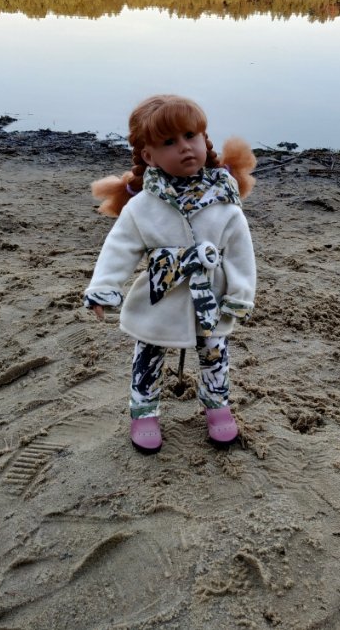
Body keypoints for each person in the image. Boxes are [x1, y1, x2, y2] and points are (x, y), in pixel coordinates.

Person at [83, 94, 256, 454]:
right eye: (168, 142)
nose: (185, 147)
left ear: (204, 138)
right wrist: (104, 287)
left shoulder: (225, 202)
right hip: (159, 296)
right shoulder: (142, 207)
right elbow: (120, 248)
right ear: (149, 156)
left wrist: (240, 294)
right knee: (148, 353)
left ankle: (217, 405)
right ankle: (144, 411)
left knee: (214, 353)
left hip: (210, 297)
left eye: (190, 136)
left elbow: (241, 253)